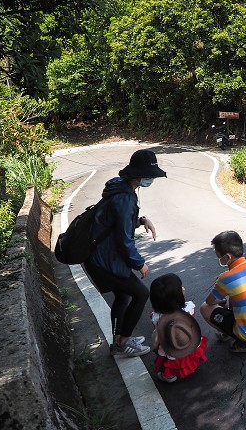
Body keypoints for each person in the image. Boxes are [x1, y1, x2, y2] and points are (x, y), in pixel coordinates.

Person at [84, 148, 166, 357]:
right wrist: (139, 263)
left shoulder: (119, 188)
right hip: (105, 260)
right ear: (138, 174)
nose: (151, 180)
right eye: (149, 176)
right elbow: (123, 239)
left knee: (122, 297)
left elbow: (117, 224)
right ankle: (122, 344)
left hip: (100, 256)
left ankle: (120, 341)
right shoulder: (125, 198)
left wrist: (141, 220)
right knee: (141, 293)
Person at [149, 273, 208, 383]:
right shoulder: (188, 309)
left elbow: (157, 334)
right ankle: (192, 367)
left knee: (166, 355)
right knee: (190, 353)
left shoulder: (157, 318)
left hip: (172, 347)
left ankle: (169, 376)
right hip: (188, 342)